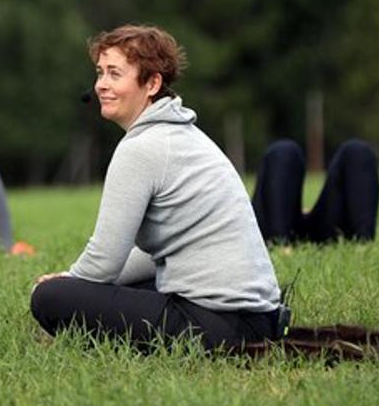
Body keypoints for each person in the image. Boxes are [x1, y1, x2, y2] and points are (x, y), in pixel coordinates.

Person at [30, 24, 286, 352]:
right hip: (256, 318)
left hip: (220, 326)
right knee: (122, 285)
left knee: (50, 298)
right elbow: (155, 256)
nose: (101, 86)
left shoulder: (141, 148)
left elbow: (105, 260)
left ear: (152, 84)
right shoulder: (181, 135)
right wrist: (75, 280)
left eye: (114, 74)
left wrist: (68, 283)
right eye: (100, 73)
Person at [251, 138, 379, 244]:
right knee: (284, 151)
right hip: (270, 228)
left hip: (325, 231)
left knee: (357, 151)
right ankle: (279, 239)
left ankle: (364, 241)